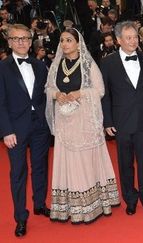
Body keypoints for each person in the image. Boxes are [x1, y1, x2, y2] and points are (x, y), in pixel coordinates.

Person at [45, 28, 120, 224]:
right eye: (62, 40)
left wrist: (80, 94)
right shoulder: (56, 65)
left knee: (84, 160)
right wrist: (56, 95)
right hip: (64, 121)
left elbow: (100, 90)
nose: (64, 44)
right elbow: (48, 87)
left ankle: (92, 205)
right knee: (67, 160)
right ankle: (70, 207)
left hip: (85, 121)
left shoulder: (88, 64)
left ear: (78, 43)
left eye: (69, 40)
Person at [101, 21, 143, 215]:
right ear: (118, 40)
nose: (134, 41)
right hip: (121, 121)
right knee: (125, 162)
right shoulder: (108, 62)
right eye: (129, 38)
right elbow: (105, 94)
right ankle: (130, 198)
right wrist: (107, 121)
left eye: (135, 37)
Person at [0, 24, 50, 237]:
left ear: (31, 42)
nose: (21, 42)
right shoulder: (2, 68)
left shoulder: (40, 66)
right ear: (9, 41)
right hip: (15, 129)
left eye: (25, 38)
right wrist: (6, 131)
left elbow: (46, 97)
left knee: (40, 167)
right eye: (16, 38)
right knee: (18, 173)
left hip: (40, 126)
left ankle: (39, 204)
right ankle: (21, 217)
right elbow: (0, 102)